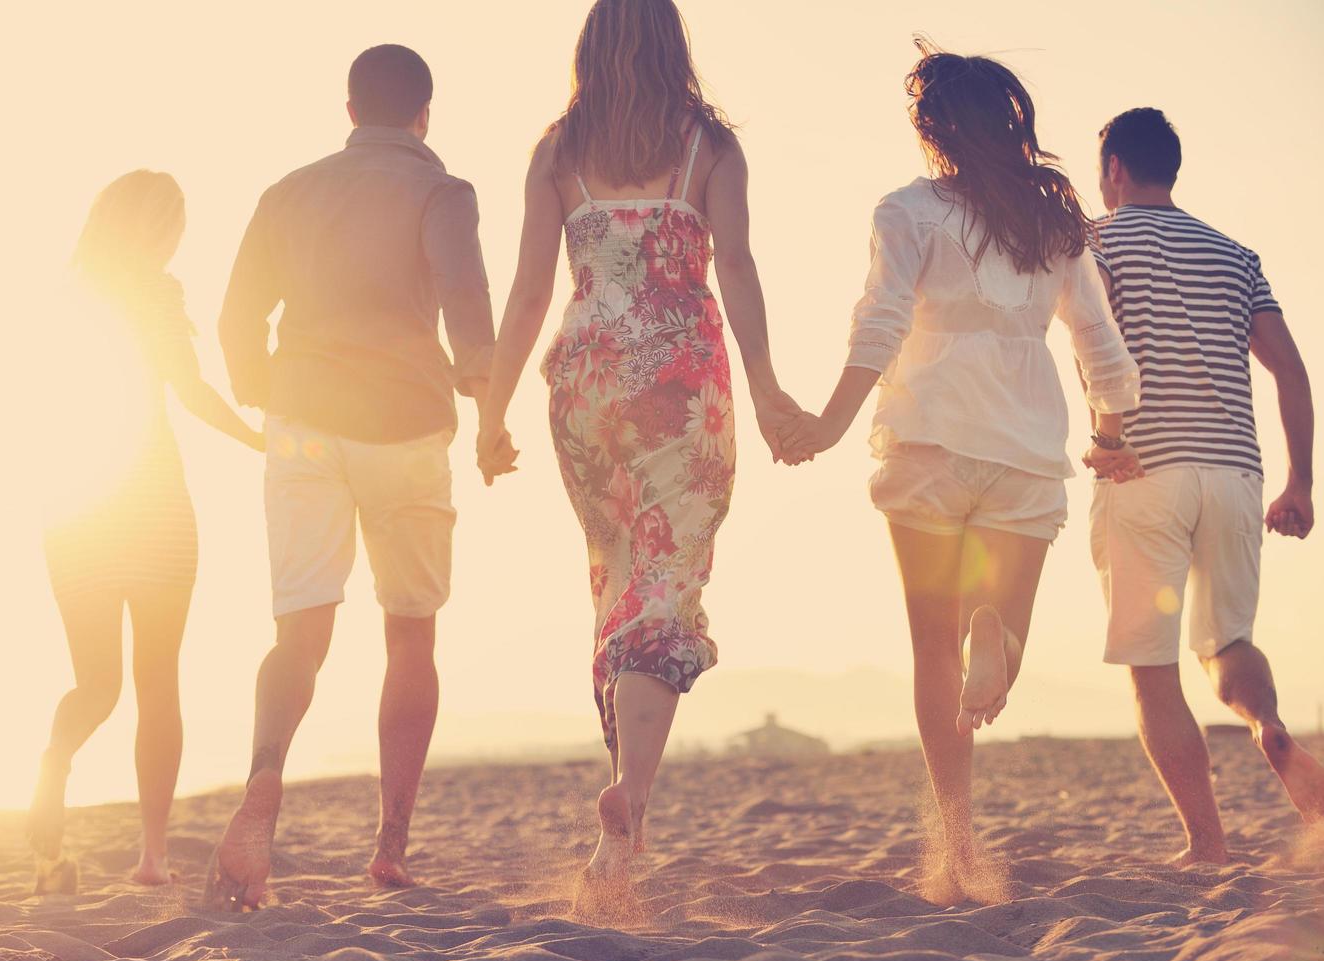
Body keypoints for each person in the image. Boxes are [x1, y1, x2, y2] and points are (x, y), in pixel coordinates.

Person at [780, 44, 1142, 902]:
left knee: (931, 647)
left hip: (927, 447)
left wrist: (828, 425)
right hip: (1024, 452)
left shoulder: (907, 211)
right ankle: (1002, 640)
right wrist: (1110, 432)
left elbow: (880, 322)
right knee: (995, 640)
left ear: (931, 129)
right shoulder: (1053, 223)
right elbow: (1099, 340)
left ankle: (957, 845)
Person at [475, 0, 801, 909]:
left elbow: (528, 290)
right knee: (667, 580)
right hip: (679, 382)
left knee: (618, 576)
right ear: (673, 46)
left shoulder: (557, 151)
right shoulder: (710, 147)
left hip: (585, 386)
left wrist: (491, 414)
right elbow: (734, 267)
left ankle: (628, 829)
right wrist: (770, 391)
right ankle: (631, 807)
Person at [209, 44, 495, 908]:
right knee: (409, 633)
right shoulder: (441, 191)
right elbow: (468, 316)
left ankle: (265, 775)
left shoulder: (289, 192)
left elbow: (235, 318)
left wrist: (267, 391)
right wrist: (491, 415)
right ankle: (391, 845)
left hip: (302, 423)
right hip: (404, 424)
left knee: (300, 632)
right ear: (424, 114)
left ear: (348, 110)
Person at [1086, 108, 1321, 864]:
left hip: (1140, 466)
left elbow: (1096, 351)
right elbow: (1289, 368)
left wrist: (1104, 438)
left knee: (1152, 671)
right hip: (1233, 474)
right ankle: (1266, 726)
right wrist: (1299, 483)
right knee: (1229, 643)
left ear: (1115, 168)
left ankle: (1207, 843)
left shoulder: (1095, 242)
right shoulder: (1235, 255)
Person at [26, 171, 263, 891]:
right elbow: (189, 392)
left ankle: (53, 763)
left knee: (95, 685)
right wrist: (259, 440)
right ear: (155, 229)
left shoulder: (62, 302)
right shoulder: (158, 295)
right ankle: (152, 857)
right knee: (158, 684)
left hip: (76, 507)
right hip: (155, 504)